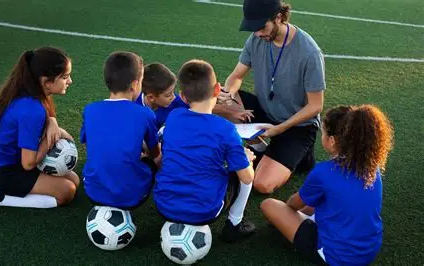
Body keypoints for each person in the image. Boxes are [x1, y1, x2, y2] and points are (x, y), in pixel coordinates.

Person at [214, 0, 325, 194]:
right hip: (265, 110)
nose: (257, 33)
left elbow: (316, 106)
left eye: (261, 27)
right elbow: (236, 75)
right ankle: (261, 148)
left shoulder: (309, 52)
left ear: (279, 17)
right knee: (215, 99)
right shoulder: (256, 39)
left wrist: (279, 129)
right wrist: (228, 93)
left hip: (296, 125)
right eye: (253, 28)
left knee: (262, 185)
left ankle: (299, 156)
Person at [260, 105, 394, 265]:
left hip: (335, 256)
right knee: (321, 202)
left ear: (332, 140)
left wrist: (287, 213)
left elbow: (293, 204)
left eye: (322, 132)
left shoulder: (324, 172)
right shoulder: (373, 168)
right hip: (369, 250)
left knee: (269, 205)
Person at [0, 47, 79, 208]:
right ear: (46, 81)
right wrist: (49, 140)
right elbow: (28, 164)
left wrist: (52, 122)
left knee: (73, 179)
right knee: (67, 191)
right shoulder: (32, 110)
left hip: (10, 161)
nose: (70, 81)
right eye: (65, 77)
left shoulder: (29, 92)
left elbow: (45, 114)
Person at [154, 59, 256, 243]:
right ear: (217, 89)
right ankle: (234, 224)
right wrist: (246, 160)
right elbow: (247, 178)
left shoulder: (174, 117)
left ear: (182, 97)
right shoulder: (225, 129)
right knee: (245, 170)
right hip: (205, 210)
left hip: (163, 205)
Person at [80, 51, 160, 209]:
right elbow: (155, 153)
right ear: (135, 84)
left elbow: (86, 142)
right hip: (131, 197)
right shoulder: (144, 114)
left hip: (93, 192)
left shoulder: (90, 110)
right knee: (161, 155)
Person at [135, 63, 189, 129]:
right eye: (168, 95)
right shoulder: (135, 111)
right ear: (151, 97)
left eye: (173, 91)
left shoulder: (176, 102)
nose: (173, 97)